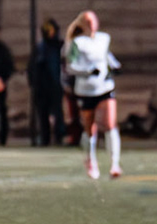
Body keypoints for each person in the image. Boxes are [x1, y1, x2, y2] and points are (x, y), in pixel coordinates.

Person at [64, 9, 122, 179]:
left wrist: (116, 66)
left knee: (110, 123)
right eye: (88, 22)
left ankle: (115, 163)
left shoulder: (104, 39)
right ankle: (91, 160)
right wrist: (88, 71)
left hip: (105, 87)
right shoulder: (77, 43)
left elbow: (107, 57)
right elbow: (70, 66)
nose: (91, 25)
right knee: (90, 128)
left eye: (93, 21)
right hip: (86, 90)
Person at [29, 18, 67, 146]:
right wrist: (33, 83)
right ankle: (44, 137)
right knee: (42, 113)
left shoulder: (60, 47)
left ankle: (59, 136)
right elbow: (32, 67)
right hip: (41, 86)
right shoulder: (40, 48)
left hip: (56, 85)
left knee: (58, 112)